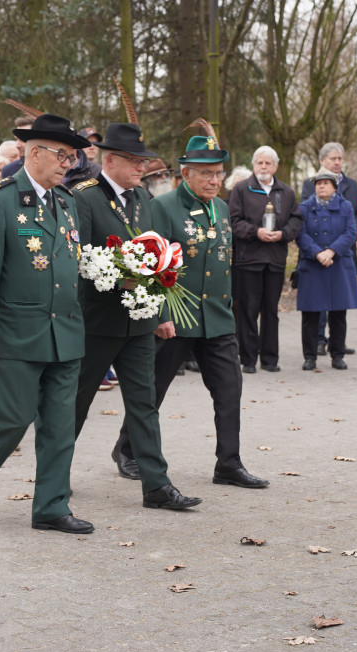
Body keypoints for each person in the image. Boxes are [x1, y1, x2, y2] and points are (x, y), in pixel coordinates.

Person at [0, 113, 94, 534]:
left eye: (73, 157)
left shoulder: (66, 202)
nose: (69, 164)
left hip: (65, 332)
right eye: (63, 156)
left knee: (59, 425)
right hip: (17, 331)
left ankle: (51, 506)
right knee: (14, 417)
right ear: (34, 153)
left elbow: (69, 264)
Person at [112, 127, 270, 490]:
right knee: (153, 390)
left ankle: (229, 463)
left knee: (230, 390)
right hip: (175, 318)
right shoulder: (163, 207)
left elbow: (222, 262)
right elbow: (151, 265)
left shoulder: (221, 208)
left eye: (219, 173)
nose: (215, 180)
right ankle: (128, 449)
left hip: (216, 317)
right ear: (186, 173)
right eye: (206, 173)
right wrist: (160, 316)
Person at [72, 122, 202, 508]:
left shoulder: (144, 199)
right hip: (98, 322)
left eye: (143, 160)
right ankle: (54, 474)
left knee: (144, 403)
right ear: (109, 160)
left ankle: (156, 485)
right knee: (75, 404)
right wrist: (118, 280)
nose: (141, 167)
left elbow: (156, 256)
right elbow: (78, 261)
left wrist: (159, 309)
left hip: (140, 323)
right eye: (133, 160)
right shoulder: (84, 198)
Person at [228, 145, 301, 373]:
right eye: (259, 162)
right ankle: (248, 360)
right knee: (248, 311)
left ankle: (270, 359)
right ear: (253, 165)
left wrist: (284, 234)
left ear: (275, 166)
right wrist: (255, 232)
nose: (263, 166)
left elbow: (296, 220)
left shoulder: (286, 192)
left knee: (271, 311)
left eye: (268, 163)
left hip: (275, 259)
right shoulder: (241, 189)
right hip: (249, 259)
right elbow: (233, 220)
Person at [300, 142, 357, 356]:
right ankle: (318, 341)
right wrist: (319, 251)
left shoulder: (352, 186)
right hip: (314, 256)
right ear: (322, 161)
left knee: (339, 307)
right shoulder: (310, 187)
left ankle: (338, 347)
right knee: (314, 307)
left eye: (339, 159)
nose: (337, 162)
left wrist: (340, 244)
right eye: (332, 159)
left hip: (342, 253)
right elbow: (302, 225)